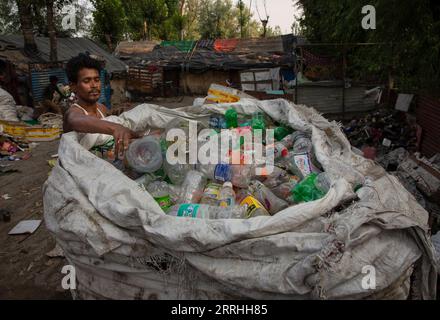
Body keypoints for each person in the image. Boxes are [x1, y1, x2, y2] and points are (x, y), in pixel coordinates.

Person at [63, 54, 141, 157]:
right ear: (73, 86)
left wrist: (138, 136)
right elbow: (76, 120)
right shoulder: (73, 112)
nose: (94, 85)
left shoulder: (101, 108)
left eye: (96, 80)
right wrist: (115, 128)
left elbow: (114, 121)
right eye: (87, 81)